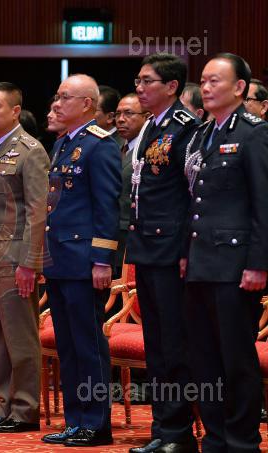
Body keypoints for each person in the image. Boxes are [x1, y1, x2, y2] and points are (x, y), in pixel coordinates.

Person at [183, 53, 268, 453]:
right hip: (201, 261)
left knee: (236, 360)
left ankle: (242, 441)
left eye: (215, 80)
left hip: (235, 265)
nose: (206, 87)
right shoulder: (203, 133)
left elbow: (263, 204)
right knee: (205, 358)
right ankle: (215, 438)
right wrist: (186, 252)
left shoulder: (254, 133)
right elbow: (195, 200)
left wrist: (259, 263)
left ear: (240, 87)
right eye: (203, 80)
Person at [41, 74, 120, 447]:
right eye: (56, 97)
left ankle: (96, 423)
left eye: (64, 98)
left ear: (87, 104)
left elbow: (107, 206)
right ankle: (75, 420)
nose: (56, 104)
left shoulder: (99, 146)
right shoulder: (62, 143)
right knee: (68, 346)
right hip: (59, 258)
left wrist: (102, 259)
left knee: (88, 346)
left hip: (85, 261)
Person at [126, 53, 200, 453]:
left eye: (147, 81)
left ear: (171, 87)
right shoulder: (151, 126)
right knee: (155, 344)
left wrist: (188, 247)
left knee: (174, 345)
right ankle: (162, 428)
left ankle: (178, 432)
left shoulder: (185, 127)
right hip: (147, 247)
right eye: (138, 81)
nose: (139, 88)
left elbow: (194, 194)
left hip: (172, 250)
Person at [0, 82, 49, 433]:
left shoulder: (30, 151)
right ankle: (3, 404)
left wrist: (30, 262)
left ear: (15, 111)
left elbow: (37, 212)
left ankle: (25, 408)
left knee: (20, 338)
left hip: (14, 259)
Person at [114, 93, 149, 275]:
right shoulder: (113, 147)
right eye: (118, 114)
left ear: (146, 117)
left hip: (132, 238)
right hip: (111, 238)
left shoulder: (148, 150)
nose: (120, 119)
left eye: (128, 113)